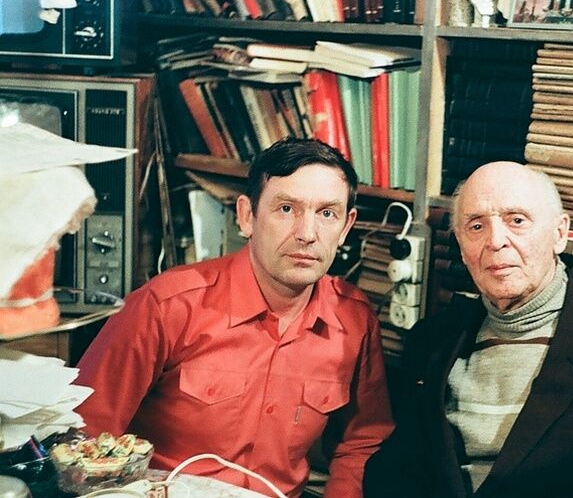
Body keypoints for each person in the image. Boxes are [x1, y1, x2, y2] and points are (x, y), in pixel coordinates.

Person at [76, 139, 394, 498]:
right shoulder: (166, 305)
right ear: (247, 216)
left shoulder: (354, 321)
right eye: (286, 208)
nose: (307, 234)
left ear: (346, 226)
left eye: (326, 214)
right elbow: (84, 436)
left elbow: (362, 442)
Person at [363, 162, 573, 497]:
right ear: (462, 248)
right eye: (476, 226)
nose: (496, 241)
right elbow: (396, 471)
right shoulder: (431, 339)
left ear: (559, 234)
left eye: (517, 221)